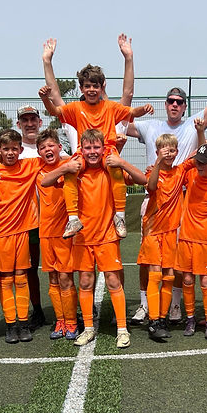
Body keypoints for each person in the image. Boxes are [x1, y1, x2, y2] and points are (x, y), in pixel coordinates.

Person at [124, 42, 207, 325]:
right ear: (165, 104)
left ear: (185, 107)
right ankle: (145, 304)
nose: (175, 105)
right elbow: (117, 120)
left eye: (179, 102)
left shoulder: (193, 124)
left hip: (182, 198)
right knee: (147, 255)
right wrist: (126, 69)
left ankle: (176, 306)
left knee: (177, 257)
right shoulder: (150, 126)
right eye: (171, 101)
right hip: (154, 197)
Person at [40, 128, 147, 349]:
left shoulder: (111, 169)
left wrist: (122, 162)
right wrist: (65, 167)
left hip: (107, 236)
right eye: (87, 147)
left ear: (103, 148)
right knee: (86, 283)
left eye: (96, 147)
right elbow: (46, 182)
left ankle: (122, 330)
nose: (92, 151)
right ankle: (88, 328)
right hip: (82, 237)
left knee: (113, 281)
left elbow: (143, 179)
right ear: (81, 149)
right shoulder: (75, 171)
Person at [39, 36, 143, 238]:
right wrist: (47, 62)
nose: (91, 92)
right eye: (87, 88)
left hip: (107, 210)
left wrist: (129, 58)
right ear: (82, 91)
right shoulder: (74, 119)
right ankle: (73, 219)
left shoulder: (112, 113)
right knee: (71, 170)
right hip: (85, 207)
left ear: (102, 88)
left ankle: (120, 217)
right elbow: (55, 99)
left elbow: (128, 97)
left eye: (96, 87)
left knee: (116, 169)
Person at [0, 129, 43, 344]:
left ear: (21, 150)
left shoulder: (30, 165)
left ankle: (23, 323)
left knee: (21, 277)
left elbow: (56, 158)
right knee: (6, 278)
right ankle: (10, 324)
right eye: (6, 149)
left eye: (14, 149)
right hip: (1, 232)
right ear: (0, 149)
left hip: (23, 231)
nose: (10, 153)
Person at [139, 132, 200, 340]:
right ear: (157, 152)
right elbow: (151, 186)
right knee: (155, 274)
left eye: (172, 150)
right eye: (164, 150)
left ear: (176, 152)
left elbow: (199, 156)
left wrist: (206, 138)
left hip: (171, 231)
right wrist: (157, 162)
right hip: (152, 230)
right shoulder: (151, 171)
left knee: (169, 275)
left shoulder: (180, 170)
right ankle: (153, 320)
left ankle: (162, 317)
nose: (169, 153)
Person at [176, 141, 207, 340]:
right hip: (186, 235)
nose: (199, 165)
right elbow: (178, 169)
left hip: (206, 239)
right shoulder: (191, 174)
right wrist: (192, 160)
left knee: (206, 280)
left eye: (204, 162)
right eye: (198, 161)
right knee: (187, 279)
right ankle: (190, 319)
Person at [34, 128, 79, 340]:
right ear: (39, 152)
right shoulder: (40, 170)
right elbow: (46, 180)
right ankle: (60, 320)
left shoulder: (71, 163)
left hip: (65, 233)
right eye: (43, 148)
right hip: (46, 232)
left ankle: (71, 321)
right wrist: (64, 168)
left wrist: (67, 165)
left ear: (60, 147)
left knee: (65, 277)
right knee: (52, 278)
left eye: (51, 145)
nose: (47, 150)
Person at [15, 104, 53, 330]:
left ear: (40, 122)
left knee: (60, 267)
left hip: (53, 218)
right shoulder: (12, 151)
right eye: (25, 120)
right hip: (25, 220)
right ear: (18, 124)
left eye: (33, 120)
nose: (29, 124)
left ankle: (68, 309)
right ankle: (36, 309)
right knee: (29, 267)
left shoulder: (50, 148)